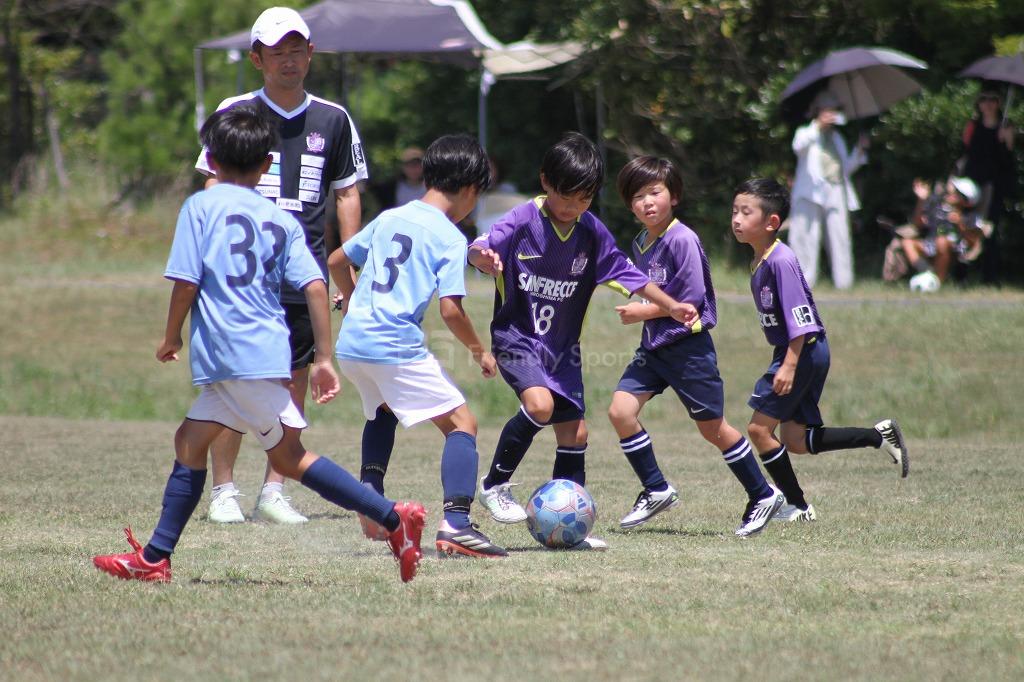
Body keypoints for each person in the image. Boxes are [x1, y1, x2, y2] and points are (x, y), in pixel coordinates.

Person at [92, 106, 425, 584]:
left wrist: (171, 335)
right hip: (263, 352)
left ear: (211, 160)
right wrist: (323, 357)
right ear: (267, 165)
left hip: (235, 354)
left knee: (289, 458)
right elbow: (315, 286)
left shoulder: (200, 207)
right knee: (189, 441)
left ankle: (393, 519)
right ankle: (155, 558)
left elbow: (185, 280)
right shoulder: (280, 219)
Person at [467, 132, 698, 550]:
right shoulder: (523, 219)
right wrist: (481, 257)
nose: (573, 207)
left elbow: (631, 276)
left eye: (584, 199)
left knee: (575, 434)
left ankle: (569, 532)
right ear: (546, 182)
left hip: (561, 351)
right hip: (516, 337)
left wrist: (670, 304)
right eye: (566, 197)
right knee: (540, 406)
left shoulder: (591, 233)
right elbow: (481, 245)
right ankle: (494, 484)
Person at [194, 6, 368, 525]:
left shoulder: (333, 118)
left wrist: (349, 269)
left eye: (297, 50)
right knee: (233, 381)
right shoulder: (237, 111)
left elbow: (347, 194)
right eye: (277, 52)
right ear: (257, 59)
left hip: (303, 272)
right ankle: (223, 490)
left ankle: (275, 489)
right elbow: (211, 183)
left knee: (293, 382)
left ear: (310, 53)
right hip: (243, 275)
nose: (288, 60)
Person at [328, 134, 507, 559]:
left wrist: (351, 297)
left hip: (352, 343)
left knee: (383, 410)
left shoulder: (391, 217)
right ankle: (457, 524)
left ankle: (370, 498)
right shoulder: (450, 236)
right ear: (469, 189)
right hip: (392, 342)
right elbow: (451, 311)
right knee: (462, 424)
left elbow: (337, 260)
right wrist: (480, 351)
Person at [608, 157, 784, 537]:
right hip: (654, 348)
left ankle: (763, 494)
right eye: (637, 197)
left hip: (688, 349)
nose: (647, 202)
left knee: (713, 429)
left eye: (654, 192)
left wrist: (642, 312)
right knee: (620, 411)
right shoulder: (641, 242)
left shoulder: (682, 238)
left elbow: (691, 298)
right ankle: (656, 489)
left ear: (673, 196)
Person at [730, 178, 909, 523]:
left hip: (802, 350)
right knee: (795, 440)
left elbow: (802, 318)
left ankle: (797, 506)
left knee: (758, 430)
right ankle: (878, 436)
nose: (737, 219)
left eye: (746, 212)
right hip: (801, 351)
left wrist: (789, 364)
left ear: (771, 221)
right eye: (735, 211)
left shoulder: (780, 260)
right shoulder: (761, 258)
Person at [789, 91, 868, 290]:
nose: (831, 114)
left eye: (834, 110)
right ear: (818, 111)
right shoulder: (806, 132)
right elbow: (798, 146)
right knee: (807, 236)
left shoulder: (838, 138)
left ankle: (844, 282)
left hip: (836, 189)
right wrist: (818, 125)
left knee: (840, 236)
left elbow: (845, 168)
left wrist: (859, 152)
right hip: (810, 192)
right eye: (827, 110)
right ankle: (803, 282)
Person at [962, 91, 1015, 285]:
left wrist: (1006, 140)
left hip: (993, 186)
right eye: (984, 100)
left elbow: (1008, 158)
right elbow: (966, 152)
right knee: (967, 227)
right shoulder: (972, 126)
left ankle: (989, 277)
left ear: (998, 103)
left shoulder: (1006, 127)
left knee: (990, 230)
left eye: (992, 100)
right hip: (972, 185)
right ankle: (962, 275)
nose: (988, 104)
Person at [897, 176, 990, 289]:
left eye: (956, 192)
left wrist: (960, 224)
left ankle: (937, 282)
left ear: (966, 202)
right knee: (907, 242)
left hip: (956, 252)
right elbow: (917, 225)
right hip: (931, 246)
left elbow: (973, 242)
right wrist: (921, 200)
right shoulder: (938, 209)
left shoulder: (971, 217)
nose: (951, 192)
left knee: (942, 241)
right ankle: (926, 271)